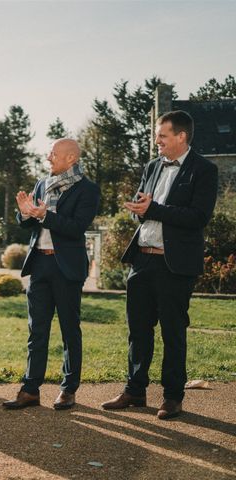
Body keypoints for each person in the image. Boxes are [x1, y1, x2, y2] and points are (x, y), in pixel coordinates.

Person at [102, 111, 218, 420]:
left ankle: (172, 397)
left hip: (175, 264)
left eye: (162, 136)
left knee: (173, 332)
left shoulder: (204, 170)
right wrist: (139, 211)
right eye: (157, 135)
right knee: (138, 330)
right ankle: (135, 391)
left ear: (181, 137)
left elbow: (198, 217)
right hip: (142, 259)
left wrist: (155, 209)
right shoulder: (151, 166)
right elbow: (142, 210)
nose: (156, 141)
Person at [3, 139, 100, 411]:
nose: (48, 158)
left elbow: (76, 227)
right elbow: (29, 222)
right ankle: (30, 389)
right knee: (37, 330)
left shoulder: (87, 190)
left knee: (70, 330)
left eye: (54, 154)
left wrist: (45, 215)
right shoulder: (42, 184)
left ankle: (68, 390)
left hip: (66, 267)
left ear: (71, 158)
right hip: (40, 265)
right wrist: (25, 214)